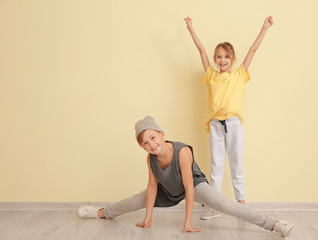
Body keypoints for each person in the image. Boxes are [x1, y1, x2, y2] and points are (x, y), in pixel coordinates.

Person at [77, 116, 293, 237]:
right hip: (167, 190)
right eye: (145, 143)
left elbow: (189, 189)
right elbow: (152, 187)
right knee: (134, 201)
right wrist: (148, 217)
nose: (151, 144)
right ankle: (100, 213)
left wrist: (187, 221)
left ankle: (273, 224)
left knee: (222, 203)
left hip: (193, 186)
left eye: (153, 137)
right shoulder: (151, 159)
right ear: (142, 147)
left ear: (161, 134)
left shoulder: (182, 152)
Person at [184, 16, 273, 219]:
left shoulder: (239, 74)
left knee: (236, 165)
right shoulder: (211, 75)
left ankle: (242, 207)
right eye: (218, 57)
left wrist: (264, 28)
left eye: (225, 57)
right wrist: (190, 28)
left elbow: (252, 49)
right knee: (216, 168)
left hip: (233, 125)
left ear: (232, 59)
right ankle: (214, 207)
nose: (221, 60)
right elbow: (201, 50)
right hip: (216, 125)